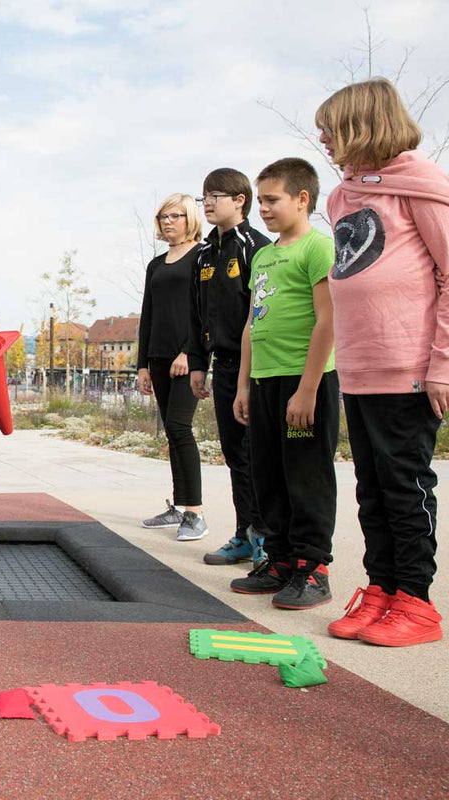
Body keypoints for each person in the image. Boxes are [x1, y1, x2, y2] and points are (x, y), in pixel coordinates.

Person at [316, 78, 449, 646]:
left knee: (403, 484)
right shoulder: (343, 195)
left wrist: (443, 364)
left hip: (409, 365)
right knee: (370, 486)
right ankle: (382, 589)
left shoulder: (423, 187)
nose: (322, 137)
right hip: (361, 365)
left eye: (330, 127)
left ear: (361, 125)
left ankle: (416, 602)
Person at [232, 158, 339, 609]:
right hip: (264, 382)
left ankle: (312, 568)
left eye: (272, 200)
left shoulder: (319, 248)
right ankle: (278, 560)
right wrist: (242, 386)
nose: (264, 209)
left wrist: (309, 388)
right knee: (268, 474)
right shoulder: (263, 254)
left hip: (304, 381)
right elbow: (251, 324)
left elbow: (328, 318)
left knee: (305, 475)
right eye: (261, 201)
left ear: (302, 198)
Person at [188, 168, 271, 568]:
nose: (207, 203)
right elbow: (196, 314)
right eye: (203, 195)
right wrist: (198, 363)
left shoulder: (256, 247)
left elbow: (261, 313)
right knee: (235, 454)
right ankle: (243, 533)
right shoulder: (204, 254)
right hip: (221, 364)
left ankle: (266, 537)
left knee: (258, 454)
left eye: (215, 195)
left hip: (256, 367)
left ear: (240, 200)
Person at [138, 194, 208, 541]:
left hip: (187, 359)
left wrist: (188, 353)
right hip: (158, 357)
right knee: (171, 431)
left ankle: (195, 513)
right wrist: (142, 365)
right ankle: (179, 507)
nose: (167, 222)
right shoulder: (156, 264)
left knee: (181, 428)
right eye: (162, 217)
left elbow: (203, 310)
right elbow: (148, 314)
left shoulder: (202, 256)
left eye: (175, 216)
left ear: (189, 217)